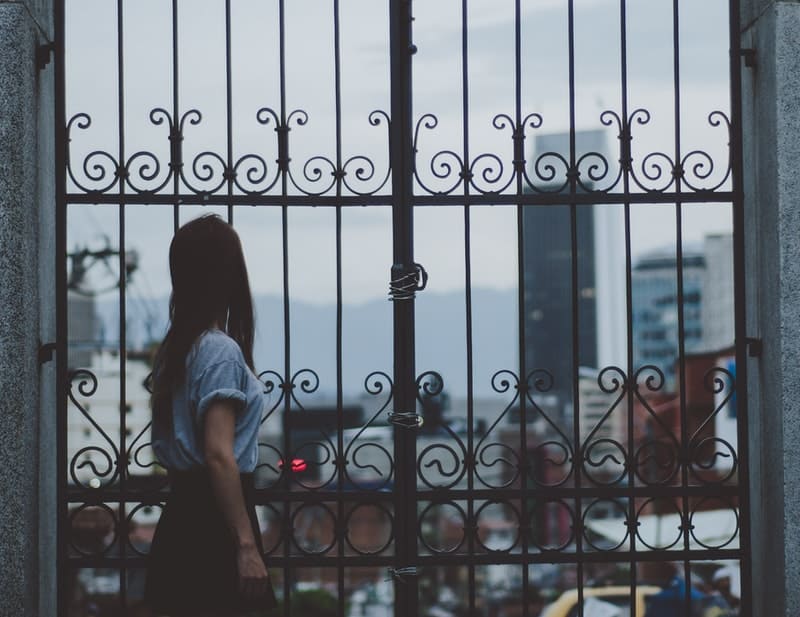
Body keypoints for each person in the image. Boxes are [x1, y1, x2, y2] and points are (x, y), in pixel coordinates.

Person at [144, 215, 276, 616]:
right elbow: (219, 454)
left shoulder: (180, 348)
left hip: (182, 522)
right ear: (229, 274)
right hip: (213, 527)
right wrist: (247, 546)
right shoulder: (219, 350)